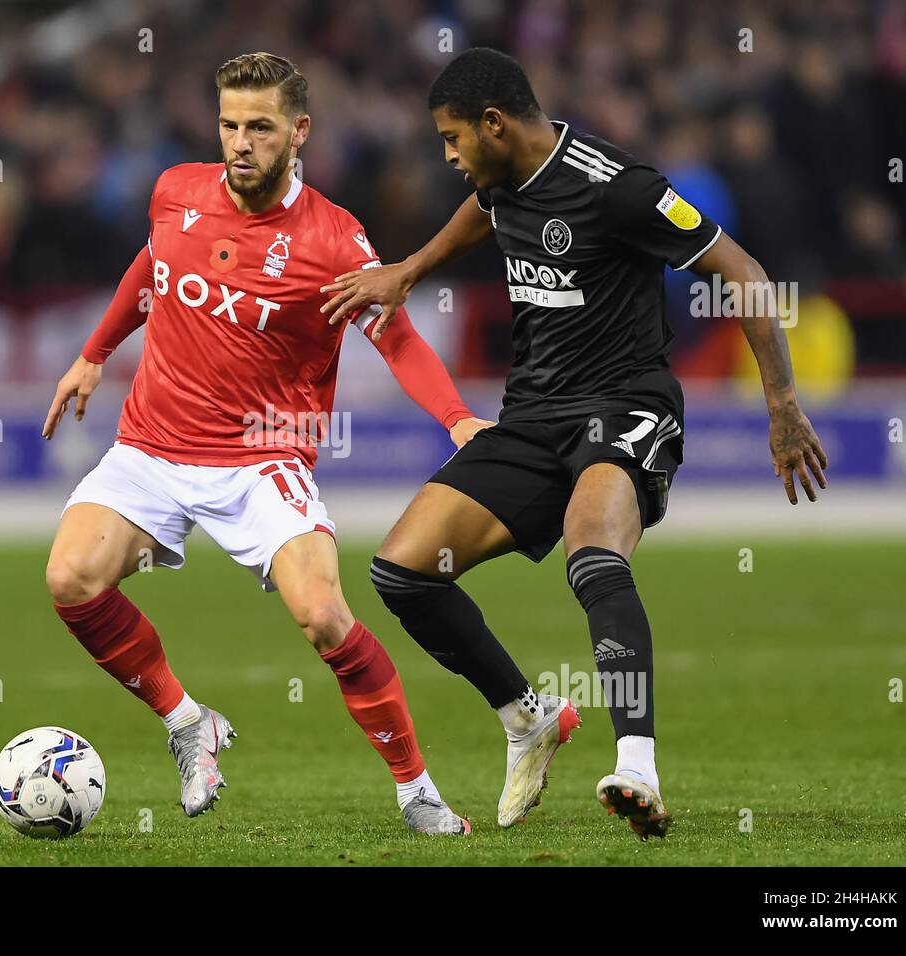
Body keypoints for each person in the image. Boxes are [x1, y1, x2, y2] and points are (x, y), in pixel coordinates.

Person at [322, 48, 829, 839]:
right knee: (403, 571)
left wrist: (784, 402)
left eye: (453, 139)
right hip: (532, 417)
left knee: (590, 549)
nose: (449, 157)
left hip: (626, 407)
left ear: (495, 124)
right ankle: (528, 718)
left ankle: (637, 766)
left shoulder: (618, 187)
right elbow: (483, 212)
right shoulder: (498, 181)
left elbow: (746, 272)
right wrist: (409, 269)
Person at [42, 52, 491, 835]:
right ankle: (189, 723)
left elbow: (397, 339)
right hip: (152, 445)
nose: (240, 142)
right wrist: (93, 352)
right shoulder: (175, 191)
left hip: (262, 458)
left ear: (298, 132)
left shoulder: (333, 240)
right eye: (228, 124)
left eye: (259, 127)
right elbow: (152, 270)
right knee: (71, 578)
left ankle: (416, 789)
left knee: (323, 616)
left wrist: (456, 420)